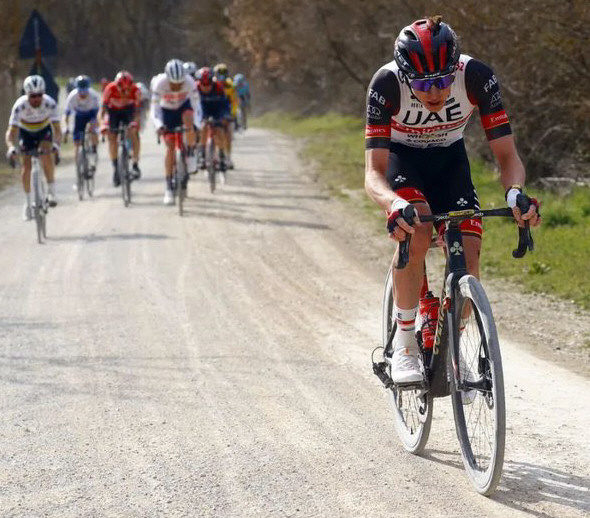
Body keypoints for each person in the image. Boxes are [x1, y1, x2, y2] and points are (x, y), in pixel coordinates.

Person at [364, 16, 540, 384]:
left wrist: (514, 194)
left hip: (450, 160)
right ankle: (408, 344)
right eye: (425, 84)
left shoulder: (476, 77)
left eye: (444, 80)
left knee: (470, 256)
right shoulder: (386, 84)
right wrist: (394, 205)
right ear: (406, 74)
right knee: (420, 231)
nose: (436, 92)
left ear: (455, 68)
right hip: (403, 161)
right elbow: (373, 173)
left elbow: (507, 156)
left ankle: (449, 346)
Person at [5, 75, 61, 220]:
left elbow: (58, 130)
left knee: (46, 154)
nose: (36, 99)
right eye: (32, 96)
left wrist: (56, 145)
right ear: (26, 94)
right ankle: (28, 203)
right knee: (26, 167)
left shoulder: (50, 103)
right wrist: (11, 147)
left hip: (44, 132)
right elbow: (11, 132)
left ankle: (51, 191)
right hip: (26, 134)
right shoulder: (19, 106)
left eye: (39, 95)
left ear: (43, 93)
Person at [150, 58, 201, 205]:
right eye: (173, 84)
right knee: (170, 148)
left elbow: (197, 106)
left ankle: (191, 153)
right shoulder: (160, 83)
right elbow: (154, 109)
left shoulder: (190, 82)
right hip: (166, 111)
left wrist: (197, 125)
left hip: (183, 108)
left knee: (189, 119)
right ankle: (168, 188)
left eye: (179, 84)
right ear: (167, 78)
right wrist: (159, 125)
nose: (177, 86)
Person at [99, 71, 142, 186]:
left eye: (127, 89)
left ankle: (135, 164)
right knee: (111, 137)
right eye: (122, 89)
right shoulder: (109, 89)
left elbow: (138, 113)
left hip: (128, 111)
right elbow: (102, 112)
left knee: (133, 132)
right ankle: (115, 168)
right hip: (113, 112)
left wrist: (135, 123)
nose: (124, 92)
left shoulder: (136, 91)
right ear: (117, 85)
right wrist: (103, 124)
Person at [64, 75, 100, 178]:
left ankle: (93, 150)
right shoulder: (72, 96)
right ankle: (78, 167)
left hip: (91, 114)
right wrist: (65, 128)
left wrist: (95, 125)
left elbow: (98, 114)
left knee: (93, 130)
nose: (83, 94)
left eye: (85, 92)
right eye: (81, 92)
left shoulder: (94, 95)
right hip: (79, 116)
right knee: (77, 143)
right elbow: (66, 115)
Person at [196, 66, 231, 171]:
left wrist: (225, 116)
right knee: (203, 128)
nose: (206, 88)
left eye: (208, 85)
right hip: (202, 110)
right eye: (203, 85)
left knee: (219, 131)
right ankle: (202, 154)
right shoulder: (195, 88)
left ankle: (221, 155)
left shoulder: (219, 88)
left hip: (217, 109)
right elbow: (192, 106)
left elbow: (225, 104)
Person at [213, 63, 239, 169]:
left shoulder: (230, 85)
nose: (221, 79)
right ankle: (214, 156)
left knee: (228, 135)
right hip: (214, 110)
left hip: (227, 111)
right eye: (219, 75)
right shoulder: (212, 84)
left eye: (223, 75)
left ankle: (228, 158)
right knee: (214, 134)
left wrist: (232, 114)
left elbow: (234, 101)